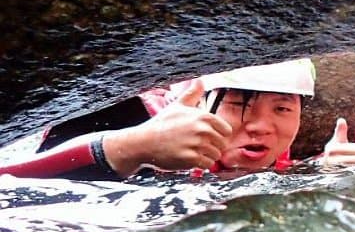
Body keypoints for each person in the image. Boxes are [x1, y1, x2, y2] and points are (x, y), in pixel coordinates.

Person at [0, 58, 316, 180]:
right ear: (198, 100)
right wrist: (135, 146)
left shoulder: (277, 153)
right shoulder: (123, 113)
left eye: (282, 109)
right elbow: (9, 181)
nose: (261, 125)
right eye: (238, 104)